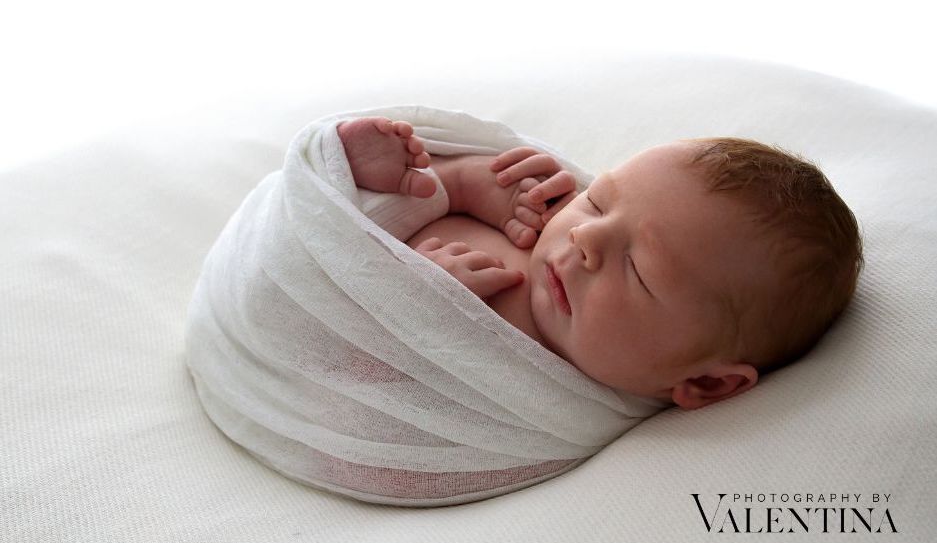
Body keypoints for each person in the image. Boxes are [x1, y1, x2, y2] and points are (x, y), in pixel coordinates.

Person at [336, 116, 864, 410]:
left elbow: (353, 406)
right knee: (470, 183)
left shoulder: (552, 405)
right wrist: (498, 194)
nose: (585, 235)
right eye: (599, 200)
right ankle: (399, 178)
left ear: (705, 383)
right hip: (373, 222)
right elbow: (557, 208)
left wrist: (414, 306)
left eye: (640, 269)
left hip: (355, 290)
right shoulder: (550, 232)